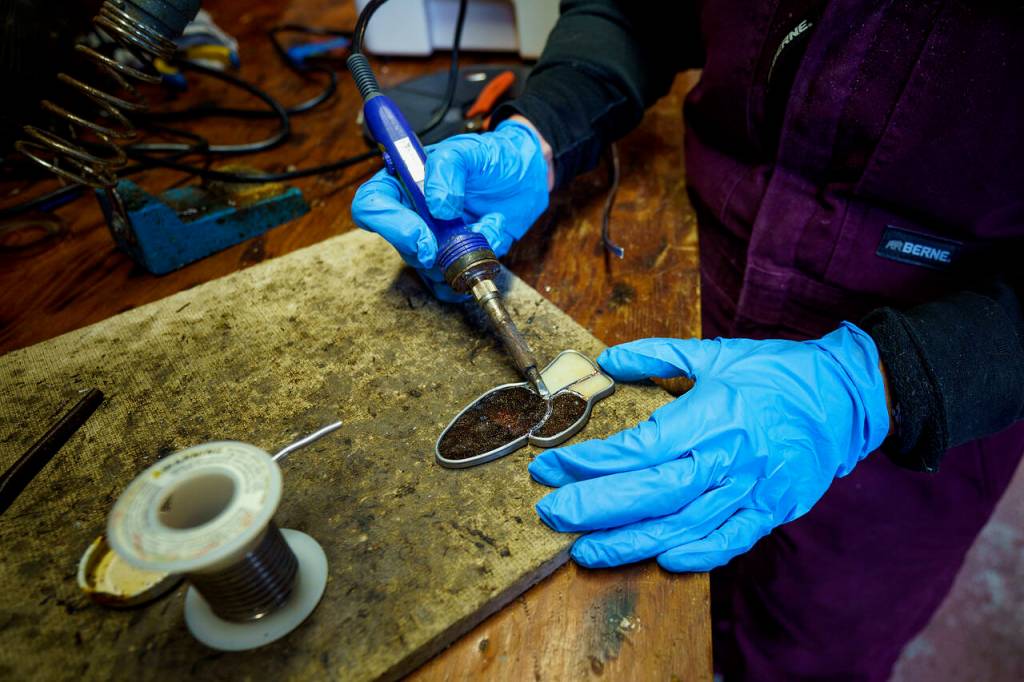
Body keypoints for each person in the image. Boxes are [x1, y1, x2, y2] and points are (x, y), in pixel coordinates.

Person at [351, 2, 1024, 679]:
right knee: (645, 611)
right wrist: (544, 129)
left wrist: (874, 383)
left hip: (944, 362)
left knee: (807, 644)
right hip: (705, 265)